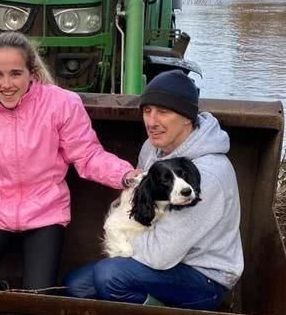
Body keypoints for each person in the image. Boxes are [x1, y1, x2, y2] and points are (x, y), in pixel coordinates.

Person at [0, 32, 138, 290]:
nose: (6, 83)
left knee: (38, 296)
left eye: (15, 73)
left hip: (45, 212)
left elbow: (87, 155)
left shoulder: (62, 104)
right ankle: (1, 291)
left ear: (31, 72)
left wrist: (125, 175)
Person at [64, 70, 243, 311]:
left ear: (187, 117)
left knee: (111, 277)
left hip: (203, 277)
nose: (152, 121)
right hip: (161, 258)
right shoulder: (153, 148)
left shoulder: (207, 174)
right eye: (147, 111)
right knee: (76, 286)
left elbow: (160, 255)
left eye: (163, 112)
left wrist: (121, 235)